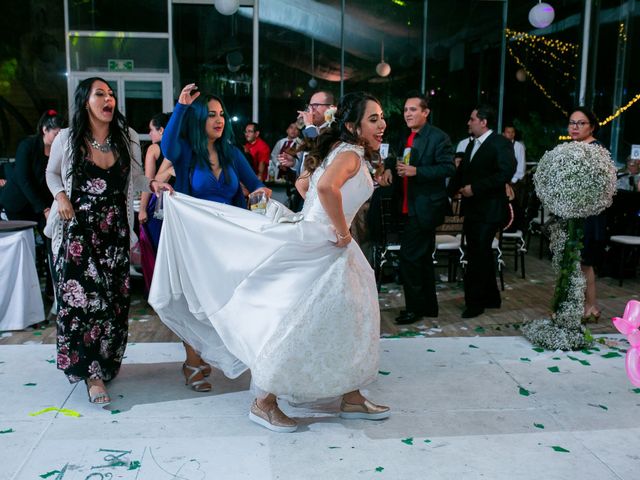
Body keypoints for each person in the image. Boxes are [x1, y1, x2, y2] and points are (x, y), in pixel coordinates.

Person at [149, 91, 390, 433]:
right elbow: (324, 191)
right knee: (296, 321)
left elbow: (306, 187)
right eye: (374, 118)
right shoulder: (348, 155)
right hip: (324, 244)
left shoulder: (339, 151)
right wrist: (342, 231)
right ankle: (264, 400)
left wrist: (320, 216)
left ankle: (350, 395)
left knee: (342, 318)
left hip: (318, 239)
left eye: (381, 118)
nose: (382, 124)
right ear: (352, 125)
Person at [44, 77, 171, 405]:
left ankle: (105, 362)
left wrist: (153, 185)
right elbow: (52, 172)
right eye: (100, 94)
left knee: (113, 303)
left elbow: (136, 178)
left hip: (114, 233)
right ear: (85, 101)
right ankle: (91, 373)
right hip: (78, 232)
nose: (108, 99)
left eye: (111, 94)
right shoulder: (68, 138)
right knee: (82, 303)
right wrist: (60, 196)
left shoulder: (126, 137)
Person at [158, 83, 271, 393]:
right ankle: (193, 362)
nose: (219, 120)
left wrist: (261, 193)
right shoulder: (184, 152)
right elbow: (167, 145)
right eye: (211, 115)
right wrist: (180, 106)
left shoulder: (231, 152)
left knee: (227, 300)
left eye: (222, 114)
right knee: (196, 302)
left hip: (229, 242)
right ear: (198, 119)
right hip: (195, 241)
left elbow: (256, 184)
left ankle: (226, 353)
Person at [379, 92, 455, 324]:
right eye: (405, 110)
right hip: (406, 205)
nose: (408, 114)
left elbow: (448, 168)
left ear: (425, 112)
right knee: (420, 259)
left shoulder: (438, 137)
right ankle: (428, 307)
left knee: (409, 257)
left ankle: (413, 309)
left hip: (425, 208)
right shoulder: (404, 136)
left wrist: (417, 172)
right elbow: (395, 159)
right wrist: (391, 168)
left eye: (413, 109)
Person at [448, 104, 516, 318]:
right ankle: (492, 298)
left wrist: (475, 188)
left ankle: (475, 303)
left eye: (472, 119)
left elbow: (506, 172)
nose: (469, 123)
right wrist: (449, 192)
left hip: (490, 210)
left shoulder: (500, 143)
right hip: (473, 209)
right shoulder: (471, 145)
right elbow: (462, 172)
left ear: (484, 122)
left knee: (477, 255)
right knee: (481, 253)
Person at [1, 110, 64, 298]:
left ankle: (53, 292)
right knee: (25, 248)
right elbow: (23, 179)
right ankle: (26, 295)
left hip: (43, 204)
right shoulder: (27, 145)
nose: (59, 137)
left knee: (53, 241)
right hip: (19, 204)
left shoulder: (57, 150)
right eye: (56, 133)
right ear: (45, 129)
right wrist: (43, 207)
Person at [567, 107, 606, 320]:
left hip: (590, 213)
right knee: (575, 262)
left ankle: (591, 307)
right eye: (572, 122)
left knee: (585, 262)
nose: (575, 127)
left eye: (581, 123)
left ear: (591, 126)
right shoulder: (574, 148)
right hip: (574, 212)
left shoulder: (596, 149)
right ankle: (582, 306)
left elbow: (602, 185)